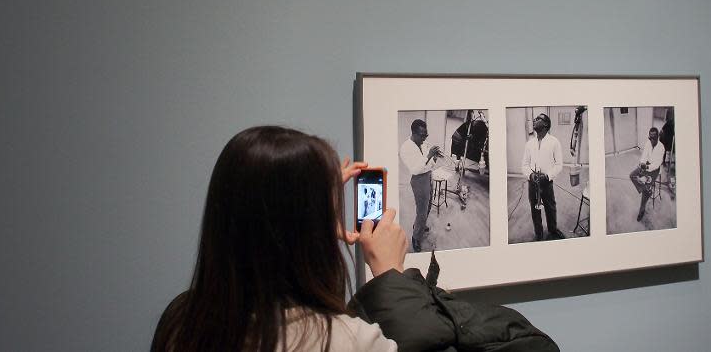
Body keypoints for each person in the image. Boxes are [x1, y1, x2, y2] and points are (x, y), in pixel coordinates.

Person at [152, 125, 559, 352]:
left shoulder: (183, 321)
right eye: (330, 205)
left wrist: (314, 199)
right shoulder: (342, 340)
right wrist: (390, 275)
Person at [398, 119, 440, 252]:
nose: (425, 138)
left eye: (426, 135)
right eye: (422, 135)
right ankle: (416, 237)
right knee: (421, 211)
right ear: (414, 133)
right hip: (418, 179)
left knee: (428, 205)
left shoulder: (422, 143)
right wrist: (428, 156)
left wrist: (434, 158)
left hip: (428, 175)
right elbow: (415, 170)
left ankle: (420, 224)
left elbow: (429, 165)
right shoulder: (405, 148)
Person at [522, 113, 565, 241]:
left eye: (539, 119)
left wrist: (547, 176)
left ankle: (552, 230)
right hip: (533, 182)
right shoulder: (529, 144)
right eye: (535, 118)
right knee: (534, 207)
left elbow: (559, 165)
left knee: (550, 207)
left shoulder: (554, 142)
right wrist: (531, 175)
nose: (535, 120)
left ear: (546, 124)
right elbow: (524, 165)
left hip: (546, 182)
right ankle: (538, 233)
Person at [630, 127, 665, 221]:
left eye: (653, 138)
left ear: (658, 137)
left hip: (655, 169)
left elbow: (657, 164)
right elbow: (644, 156)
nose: (651, 140)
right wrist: (642, 164)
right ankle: (646, 189)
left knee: (644, 193)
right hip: (646, 165)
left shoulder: (661, 148)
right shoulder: (648, 143)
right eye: (650, 138)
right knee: (632, 175)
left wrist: (647, 168)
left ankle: (642, 210)